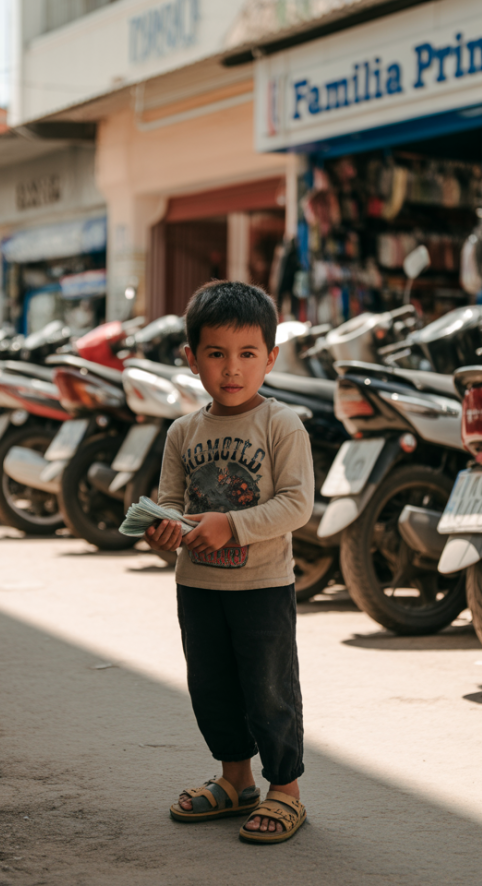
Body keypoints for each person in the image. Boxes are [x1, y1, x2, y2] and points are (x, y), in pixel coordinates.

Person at [145, 280, 314, 844]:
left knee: (268, 689)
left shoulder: (280, 425)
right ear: (192, 359)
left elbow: (296, 504)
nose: (232, 369)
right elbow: (169, 500)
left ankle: (285, 790)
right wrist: (162, 529)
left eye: (247, 354)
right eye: (217, 354)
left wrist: (232, 525)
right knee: (212, 687)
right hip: (197, 586)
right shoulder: (182, 432)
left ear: (270, 357)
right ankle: (235, 780)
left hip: (262, 586)